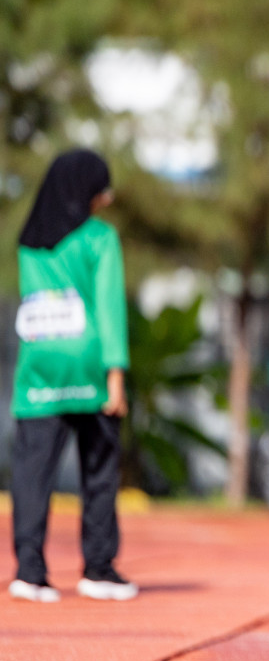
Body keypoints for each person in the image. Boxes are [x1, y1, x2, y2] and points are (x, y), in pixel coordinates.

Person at [8, 148, 136, 602]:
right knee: (99, 469)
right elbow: (109, 306)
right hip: (89, 362)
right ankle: (98, 569)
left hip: (39, 364)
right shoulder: (99, 238)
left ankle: (29, 570)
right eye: (101, 189)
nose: (106, 197)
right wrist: (115, 376)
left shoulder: (29, 241)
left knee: (31, 471)